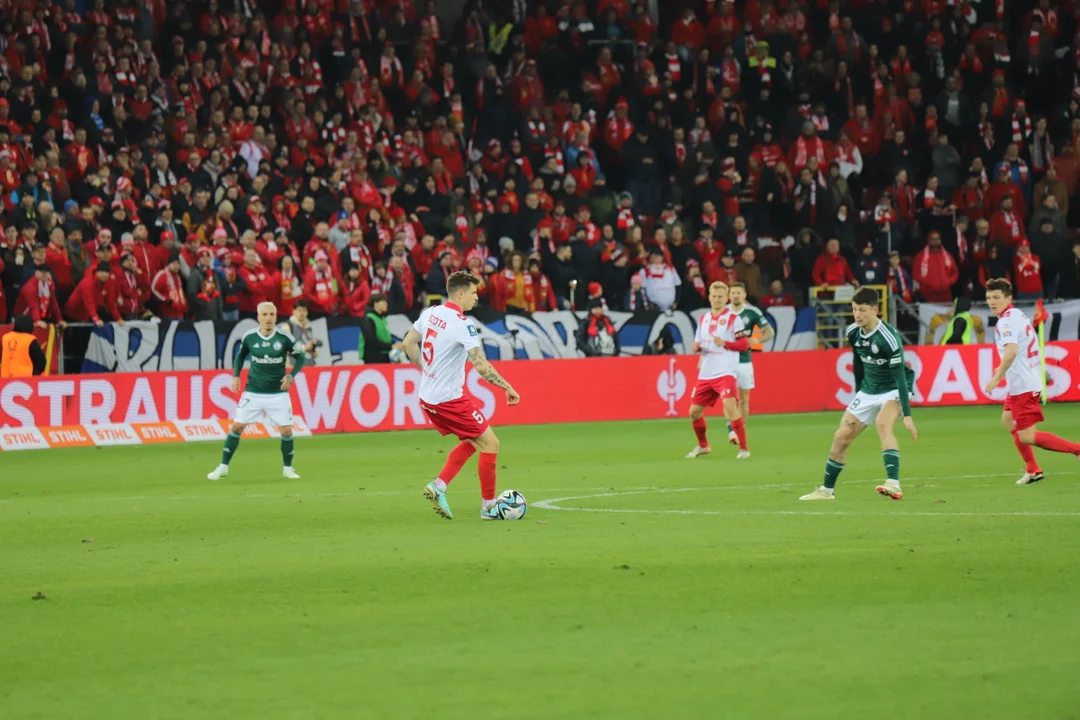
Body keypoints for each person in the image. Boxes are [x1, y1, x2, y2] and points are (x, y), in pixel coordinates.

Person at [401, 271, 520, 521]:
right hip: (449, 400)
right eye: (474, 293)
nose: (476, 298)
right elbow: (481, 365)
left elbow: (408, 344)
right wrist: (508, 387)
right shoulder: (462, 324)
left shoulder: (430, 313)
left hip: (428, 397)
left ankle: (440, 486)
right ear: (460, 293)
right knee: (491, 443)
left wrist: (426, 369)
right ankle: (489, 508)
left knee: (473, 440)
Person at [801, 287, 917, 501]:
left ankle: (893, 483)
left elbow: (900, 376)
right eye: (854, 309)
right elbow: (858, 360)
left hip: (894, 387)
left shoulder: (888, 338)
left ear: (875, 310)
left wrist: (907, 415)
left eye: (862, 310)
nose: (857, 314)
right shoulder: (853, 331)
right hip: (868, 389)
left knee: (883, 424)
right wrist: (858, 391)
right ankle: (827, 491)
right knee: (841, 437)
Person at [984, 279, 1080, 485]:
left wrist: (997, 376)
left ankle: (1077, 450)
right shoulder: (1016, 314)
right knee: (1008, 419)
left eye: (996, 297)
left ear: (1008, 298)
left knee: (1027, 436)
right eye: (989, 298)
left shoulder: (1006, 322)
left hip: (1024, 386)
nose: (992, 302)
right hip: (1022, 381)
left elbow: (1011, 352)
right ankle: (1033, 469)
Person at [207, 302, 306, 482]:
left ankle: (288, 468)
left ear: (276, 317)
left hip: (278, 393)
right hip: (253, 392)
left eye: (272, 315)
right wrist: (236, 375)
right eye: (265, 315)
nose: (269, 318)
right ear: (258, 317)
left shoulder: (284, 338)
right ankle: (222, 467)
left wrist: (291, 376)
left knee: (286, 430)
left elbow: (301, 357)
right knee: (237, 426)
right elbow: (240, 355)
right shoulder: (250, 337)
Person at [685, 281, 752, 460]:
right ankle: (703, 445)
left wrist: (725, 343)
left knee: (730, 406)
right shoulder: (703, 318)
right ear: (709, 297)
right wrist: (696, 347)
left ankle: (744, 448)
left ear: (726, 298)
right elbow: (697, 342)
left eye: (720, 297)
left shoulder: (733, 319)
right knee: (694, 412)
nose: (716, 299)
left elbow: (744, 344)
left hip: (725, 371)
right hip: (706, 372)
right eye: (714, 296)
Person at [725, 282, 775, 444]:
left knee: (745, 399)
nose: (736, 295)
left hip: (745, 361)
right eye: (733, 293)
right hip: (726, 361)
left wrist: (757, 339)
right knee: (729, 397)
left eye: (739, 292)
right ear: (729, 295)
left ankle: (739, 430)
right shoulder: (723, 312)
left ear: (744, 295)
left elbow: (770, 332)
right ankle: (731, 430)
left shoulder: (752, 312)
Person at [359, 293, 400, 364]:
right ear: (375, 304)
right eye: (383, 301)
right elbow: (371, 340)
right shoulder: (369, 319)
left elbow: (384, 338)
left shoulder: (382, 319)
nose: (386, 304)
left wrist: (394, 344)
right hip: (373, 358)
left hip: (384, 355)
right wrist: (391, 346)